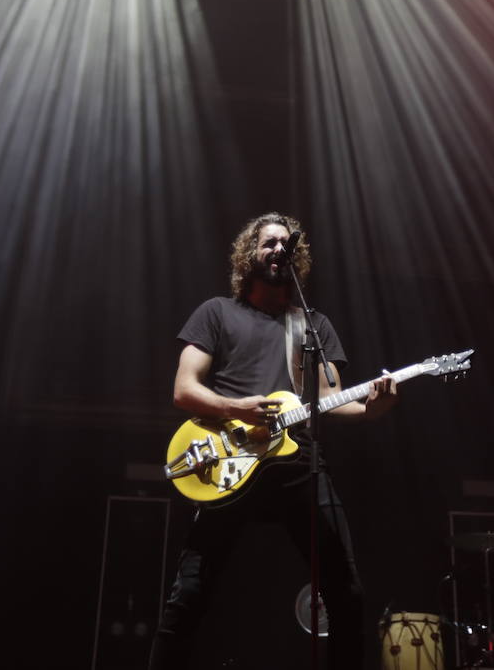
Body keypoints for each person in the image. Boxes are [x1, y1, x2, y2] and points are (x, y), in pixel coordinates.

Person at [147, 212, 399, 670]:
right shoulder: (216, 313)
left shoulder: (312, 326)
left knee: (347, 591)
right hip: (230, 458)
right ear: (250, 254)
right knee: (190, 592)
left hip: (297, 463)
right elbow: (184, 389)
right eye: (269, 243)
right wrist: (234, 407)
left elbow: (328, 398)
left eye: (286, 244)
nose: (279, 249)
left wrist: (372, 408)